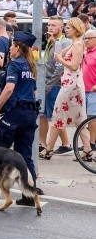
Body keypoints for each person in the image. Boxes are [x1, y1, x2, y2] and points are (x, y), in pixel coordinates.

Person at [0, 31, 41, 205]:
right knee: (25, 157)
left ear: (18, 47)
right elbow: (33, 91)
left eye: (12, 45)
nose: (10, 48)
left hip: (14, 115)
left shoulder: (15, 65)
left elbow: (9, 89)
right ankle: (29, 196)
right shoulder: (31, 65)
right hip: (29, 115)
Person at [42, 17, 87, 160]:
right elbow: (59, 54)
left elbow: (73, 65)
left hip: (70, 84)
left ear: (75, 29)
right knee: (79, 118)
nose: (66, 29)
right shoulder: (75, 44)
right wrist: (56, 45)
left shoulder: (78, 44)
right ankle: (87, 149)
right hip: (70, 83)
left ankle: (49, 149)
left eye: (68, 27)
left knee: (57, 116)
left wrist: (61, 59)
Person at [39, 16, 72, 155]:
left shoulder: (64, 42)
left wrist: (48, 86)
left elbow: (60, 68)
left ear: (61, 28)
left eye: (53, 25)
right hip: (47, 82)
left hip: (56, 84)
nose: (50, 27)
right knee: (43, 115)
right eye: (48, 25)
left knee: (56, 116)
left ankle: (65, 144)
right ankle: (43, 143)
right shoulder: (51, 41)